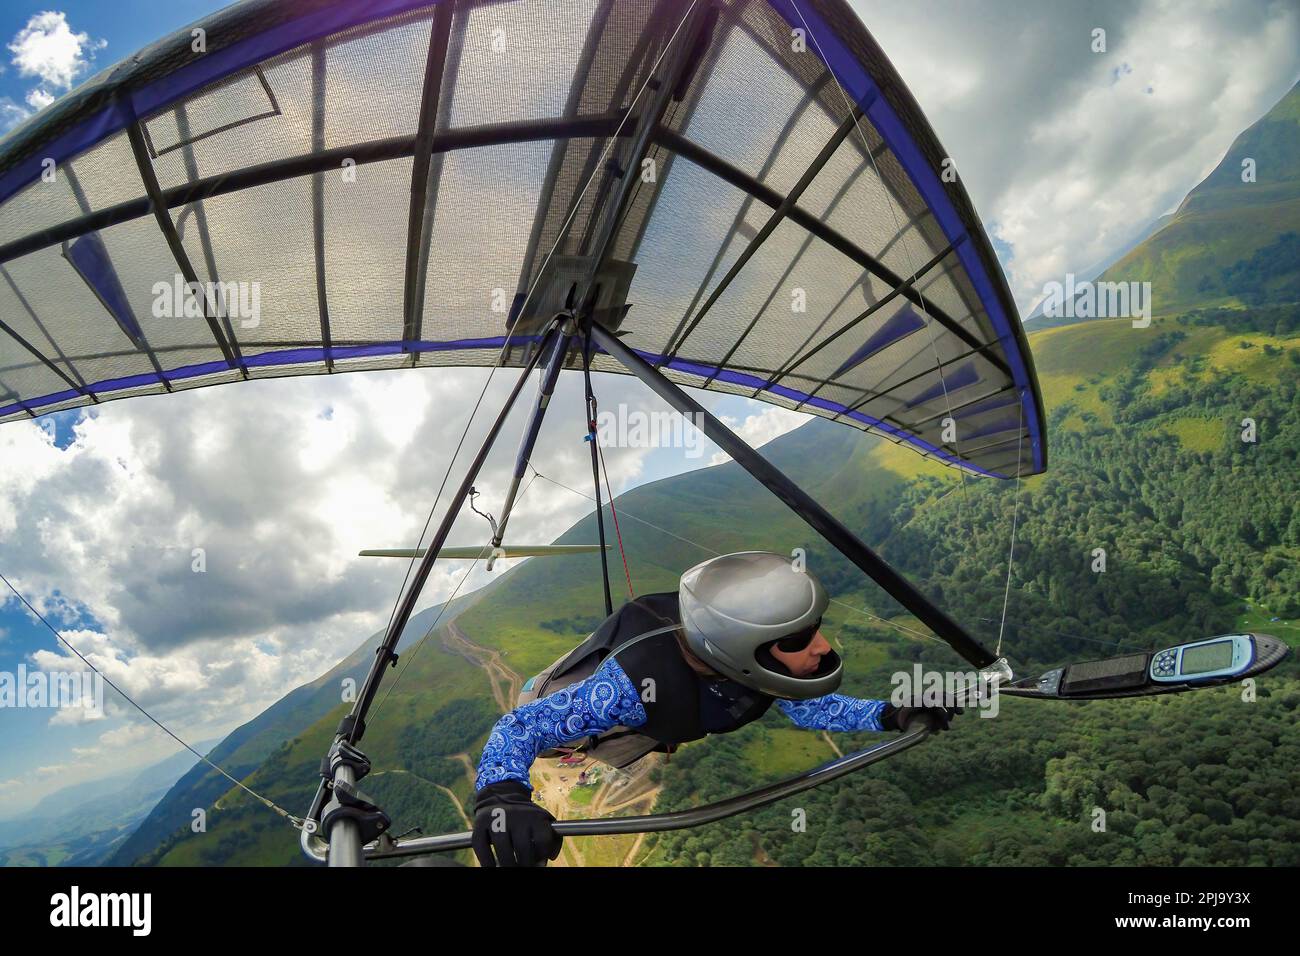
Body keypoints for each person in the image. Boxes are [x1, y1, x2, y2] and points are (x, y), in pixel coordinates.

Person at [471, 551, 957, 866]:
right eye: (797, 639)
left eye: (815, 627)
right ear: (742, 649)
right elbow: (520, 727)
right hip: (554, 710)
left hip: (650, 708)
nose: (821, 647)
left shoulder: (750, 661)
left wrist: (889, 714)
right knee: (564, 735)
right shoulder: (628, 689)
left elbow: (807, 708)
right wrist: (502, 799)